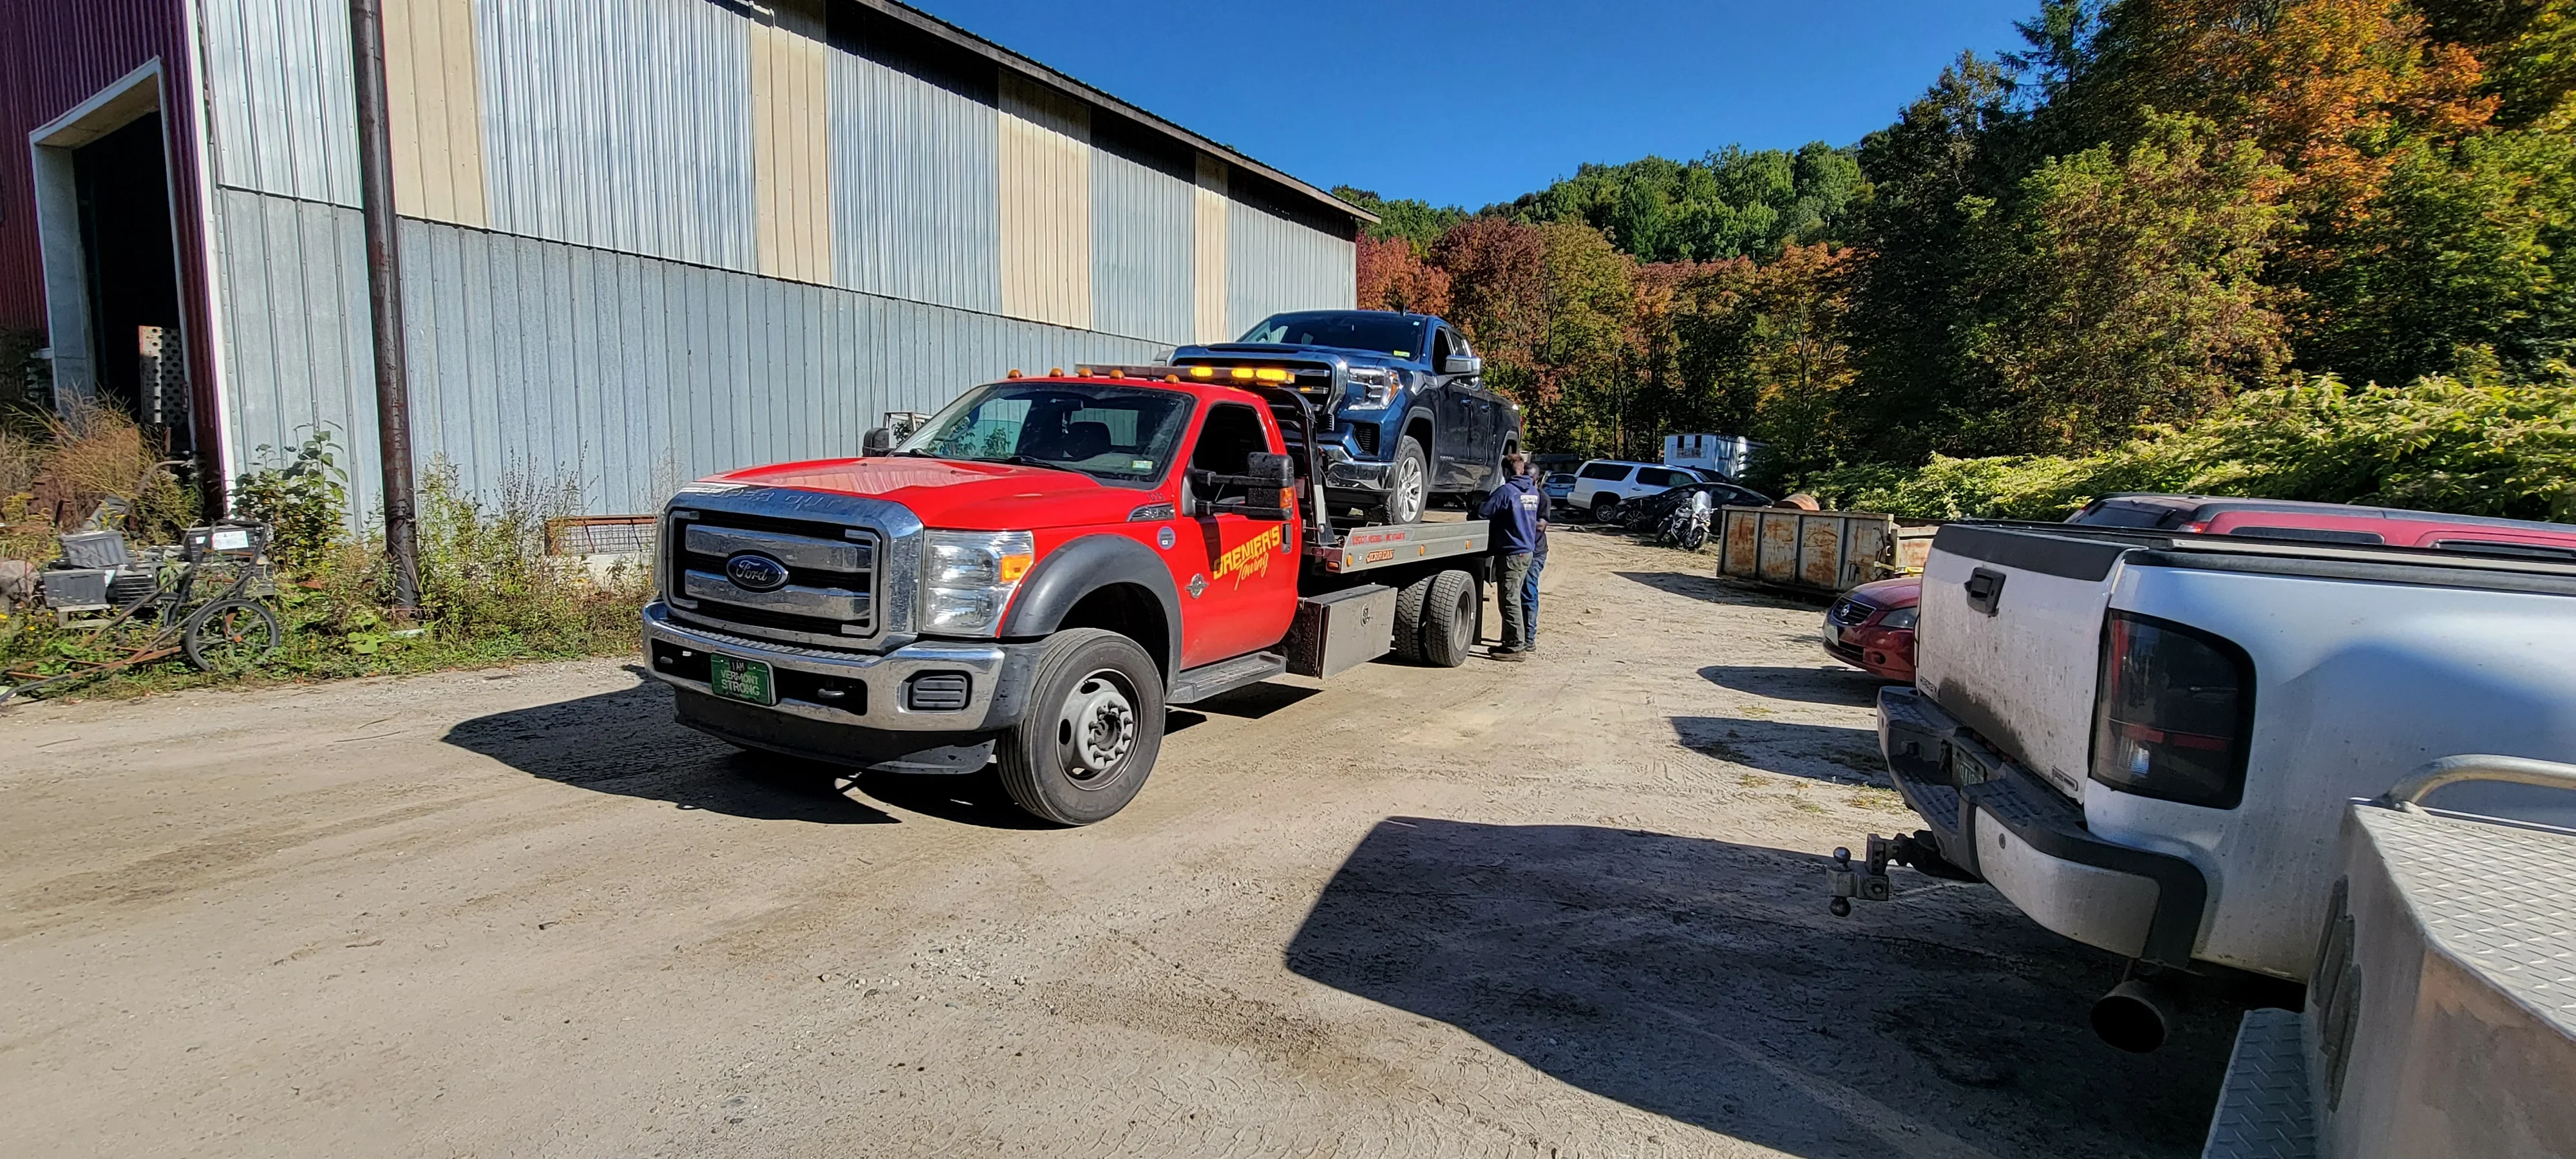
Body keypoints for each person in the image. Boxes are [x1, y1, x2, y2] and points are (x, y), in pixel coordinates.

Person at [1477, 453, 1542, 661]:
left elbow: (1484, 512)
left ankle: (1515, 647)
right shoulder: (1532, 491)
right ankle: (1511, 643)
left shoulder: (1507, 491)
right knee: (1514, 597)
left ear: (1506, 471)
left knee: (1509, 599)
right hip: (1527, 551)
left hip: (1512, 553)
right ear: (1522, 469)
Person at [1522, 473, 1548, 652]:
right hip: (1520, 549)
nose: (1527, 480)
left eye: (1530, 478)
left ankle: (1529, 637)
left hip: (1536, 551)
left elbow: (1541, 525)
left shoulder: (1542, 497)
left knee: (1529, 592)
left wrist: (1520, 519)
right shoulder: (1518, 494)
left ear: (1537, 479)